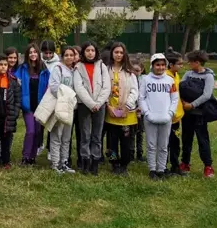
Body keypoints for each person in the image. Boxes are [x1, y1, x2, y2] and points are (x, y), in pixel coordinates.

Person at [73, 41, 111, 176]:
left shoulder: (102, 66)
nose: (90, 53)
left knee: (97, 135)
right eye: (87, 50)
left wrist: (98, 103)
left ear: (96, 52)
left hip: (100, 105)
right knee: (85, 134)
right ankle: (85, 162)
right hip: (84, 105)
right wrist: (91, 103)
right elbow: (79, 87)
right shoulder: (78, 67)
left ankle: (95, 162)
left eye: (92, 50)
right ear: (83, 52)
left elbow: (107, 86)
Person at [138, 54, 178, 180]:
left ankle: (161, 169)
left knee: (163, 145)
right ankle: (152, 169)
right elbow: (141, 97)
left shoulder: (170, 80)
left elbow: (174, 98)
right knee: (151, 145)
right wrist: (146, 112)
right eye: (157, 65)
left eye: (162, 65)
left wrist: (170, 113)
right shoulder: (145, 79)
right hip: (150, 117)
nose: (160, 67)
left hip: (166, 117)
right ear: (152, 65)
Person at [180, 50, 217, 178]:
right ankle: (185, 163)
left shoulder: (209, 76)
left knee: (203, 140)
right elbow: (181, 87)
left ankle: (208, 166)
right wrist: (184, 102)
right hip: (187, 114)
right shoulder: (188, 74)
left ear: (198, 62)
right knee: (186, 138)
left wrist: (192, 105)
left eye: (190, 62)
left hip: (200, 114)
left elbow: (207, 95)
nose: (188, 64)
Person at [103, 42, 139, 176]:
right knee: (112, 143)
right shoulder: (106, 71)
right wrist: (108, 105)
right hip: (111, 113)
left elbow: (135, 91)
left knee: (126, 143)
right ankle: (114, 164)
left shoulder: (130, 73)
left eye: (121, 52)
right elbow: (103, 89)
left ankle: (124, 164)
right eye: (116, 52)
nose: (118, 55)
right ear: (112, 54)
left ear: (124, 55)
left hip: (127, 115)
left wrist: (127, 106)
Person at [17, 43, 50, 166]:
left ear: (38, 53)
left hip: (40, 106)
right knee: (30, 131)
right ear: (27, 54)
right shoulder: (23, 68)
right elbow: (16, 83)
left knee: (37, 132)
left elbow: (49, 85)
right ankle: (25, 157)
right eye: (30, 52)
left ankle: (32, 157)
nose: (33, 54)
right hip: (28, 106)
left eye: (35, 52)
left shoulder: (44, 68)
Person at [48, 47, 77, 174]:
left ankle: (64, 162)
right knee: (56, 136)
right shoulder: (58, 68)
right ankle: (55, 163)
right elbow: (54, 87)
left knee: (66, 137)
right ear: (62, 56)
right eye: (66, 55)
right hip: (59, 107)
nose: (69, 57)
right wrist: (67, 95)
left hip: (70, 108)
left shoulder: (75, 70)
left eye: (71, 55)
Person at [165, 52, 185, 175]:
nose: (181, 66)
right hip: (167, 117)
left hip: (177, 117)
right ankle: (163, 166)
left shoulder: (176, 75)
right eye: (179, 64)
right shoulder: (165, 78)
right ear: (171, 65)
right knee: (165, 143)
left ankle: (175, 165)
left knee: (175, 142)